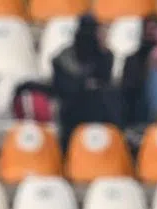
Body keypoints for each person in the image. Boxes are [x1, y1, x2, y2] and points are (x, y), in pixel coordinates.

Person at [51, 14, 120, 153]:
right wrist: (82, 85)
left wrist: (102, 49)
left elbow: (104, 80)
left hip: (98, 109)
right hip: (72, 109)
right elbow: (61, 88)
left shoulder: (105, 55)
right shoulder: (63, 58)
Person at [120, 14, 157, 128]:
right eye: (148, 28)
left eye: (154, 28)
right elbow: (127, 88)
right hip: (138, 106)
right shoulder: (132, 59)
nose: (150, 32)